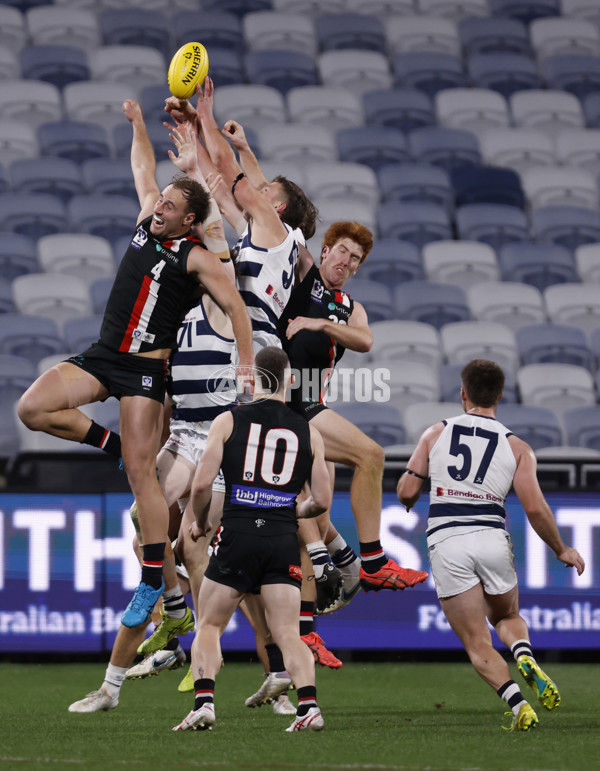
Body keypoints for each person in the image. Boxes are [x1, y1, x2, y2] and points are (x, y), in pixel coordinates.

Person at [17, 101, 254, 629]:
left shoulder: (197, 257)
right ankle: (115, 447)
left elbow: (237, 308)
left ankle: (152, 580)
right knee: (33, 408)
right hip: (104, 356)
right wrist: (139, 126)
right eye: (163, 201)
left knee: (144, 481)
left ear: (188, 219)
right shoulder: (147, 221)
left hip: (145, 374)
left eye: (171, 204)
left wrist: (245, 365)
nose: (160, 206)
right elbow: (142, 167)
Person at [396, 359, 585, 732]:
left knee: (477, 641)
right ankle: (524, 653)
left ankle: (518, 708)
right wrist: (561, 548)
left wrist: (413, 485)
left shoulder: (435, 433)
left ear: (463, 394)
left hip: (448, 540)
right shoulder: (518, 447)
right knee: (506, 616)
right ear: (500, 395)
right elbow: (534, 507)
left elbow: (406, 492)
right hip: (491, 536)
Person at [173, 347, 331, 733]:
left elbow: (201, 483)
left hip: (239, 534)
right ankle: (308, 708)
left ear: (252, 379)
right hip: (281, 539)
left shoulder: (228, 420)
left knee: (209, 625)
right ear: (290, 380)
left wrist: (196, 523)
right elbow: (322, 501)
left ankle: (204, 703)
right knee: (288, 633)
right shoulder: (309, 430)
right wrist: (294, 513)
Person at [279, 221, 429, 604]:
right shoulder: (305, 269)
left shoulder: (350, 308)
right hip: (291, 400)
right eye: (343, 251)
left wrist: (320, 323)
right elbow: (269, 218)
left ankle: (309, 618)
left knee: (319, 516)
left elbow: (365, 340)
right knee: (371, 454)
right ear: (326, 250)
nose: (347, 261)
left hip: (312, 403)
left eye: (356, 259)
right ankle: (372, 563)